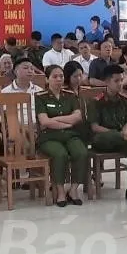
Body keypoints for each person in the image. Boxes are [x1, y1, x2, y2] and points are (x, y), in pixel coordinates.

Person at [35, 65, 88, 207]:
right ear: (47, 79)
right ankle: (60, 191)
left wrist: (56, 120)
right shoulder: (40, 97)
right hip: (49, 137)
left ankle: (73, 189)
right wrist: (67, 123)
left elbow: (77, 117)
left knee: (81, 152)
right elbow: (44, 122)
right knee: (60, 154)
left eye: (61, 76)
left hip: (70, 135)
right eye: (55, 76)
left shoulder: (70, 95)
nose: (59, 79)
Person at [89, 65, 127, 201]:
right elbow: (95, 127)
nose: (120, 83)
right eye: (116, 81)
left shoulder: (125, 101)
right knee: (118, 137)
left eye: (121, 80)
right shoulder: (97, 101)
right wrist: (117, 134)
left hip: (121, 138)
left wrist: (124, 133)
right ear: (107, 82)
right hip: (101, 139)